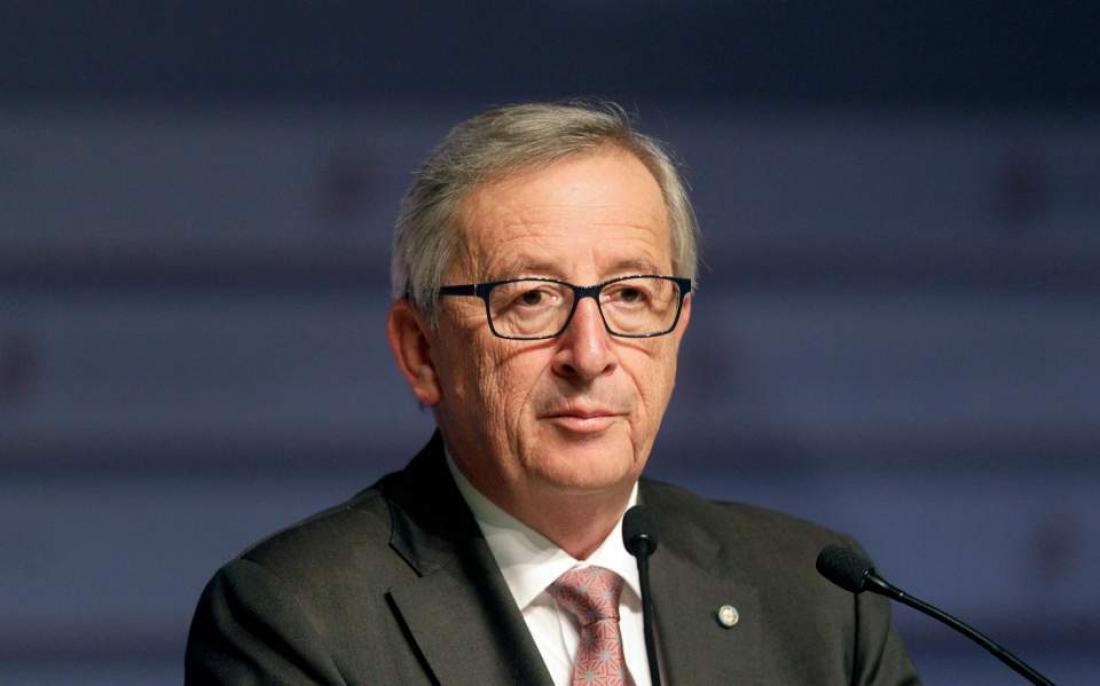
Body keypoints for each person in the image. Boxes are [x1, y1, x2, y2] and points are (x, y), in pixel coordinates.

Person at [185, 101, 919, 685]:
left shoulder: (824, 598)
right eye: (531, 298)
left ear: (678, 329)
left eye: (631, 295)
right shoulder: (295, 617)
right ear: (420, 350)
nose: (590, 354)